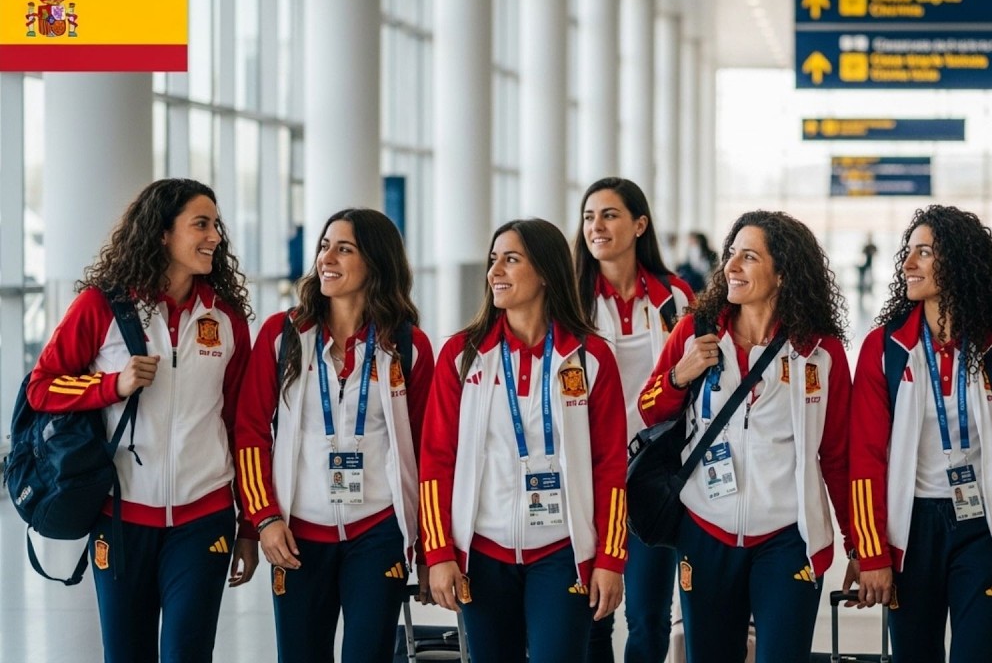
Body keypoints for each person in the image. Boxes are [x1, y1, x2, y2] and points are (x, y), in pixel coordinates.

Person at [26, 178, 258, 662]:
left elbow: (243, 425)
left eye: (216, 224)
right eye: (201, 224)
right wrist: (112, 385)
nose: (215, 235)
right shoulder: (102, 306)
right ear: (161, 233)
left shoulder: (228, 319)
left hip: (204, 516)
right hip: (121, 517)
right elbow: (42, 386)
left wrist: (251, 525)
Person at [638, 210, 854, 663]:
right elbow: (648, 407)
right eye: (731, 254)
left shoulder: (819, 351)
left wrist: (859, 545)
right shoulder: (697, 331)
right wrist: (681, 374)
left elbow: (837, 455)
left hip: (787, 536)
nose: (731, 266)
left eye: (749, 257)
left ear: (782, 273)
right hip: (705, 530)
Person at [419, 218, 629, 663]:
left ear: (547, 272)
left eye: (511, 260)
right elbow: (437, 460)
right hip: (482, 551)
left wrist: (610, 557)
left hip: (562, 552)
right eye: (493, 259)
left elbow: (609, 465)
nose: (495, 270)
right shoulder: (461, 356)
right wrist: (438, 552)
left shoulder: (591, 357)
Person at [847, 205, 992, 663]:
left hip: (982, 531)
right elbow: (865, 459)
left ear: (958, 262)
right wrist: (873, 553)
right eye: (909, 252)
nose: (908, 264)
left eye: (924, 253)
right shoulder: (886, 348)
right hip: (911, 532)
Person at [234, 208, 434, 663]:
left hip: (379, 532)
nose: (328, 257)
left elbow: (428, 453)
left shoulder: (406, 345)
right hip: (296, 534)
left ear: (376, 262)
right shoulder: (283, 336)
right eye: (325, 246)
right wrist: (262, 518)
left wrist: (427, 547)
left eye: (344, 249)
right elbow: (249, 434)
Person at [574, 177, 694, 663]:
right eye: (588, 217)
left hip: (652, 478)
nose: (596, 226)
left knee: (648, 617)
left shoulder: (675, 299)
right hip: (588, 477)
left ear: (640, 224)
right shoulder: (570, 300)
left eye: (609, 215)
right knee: (591, 615)